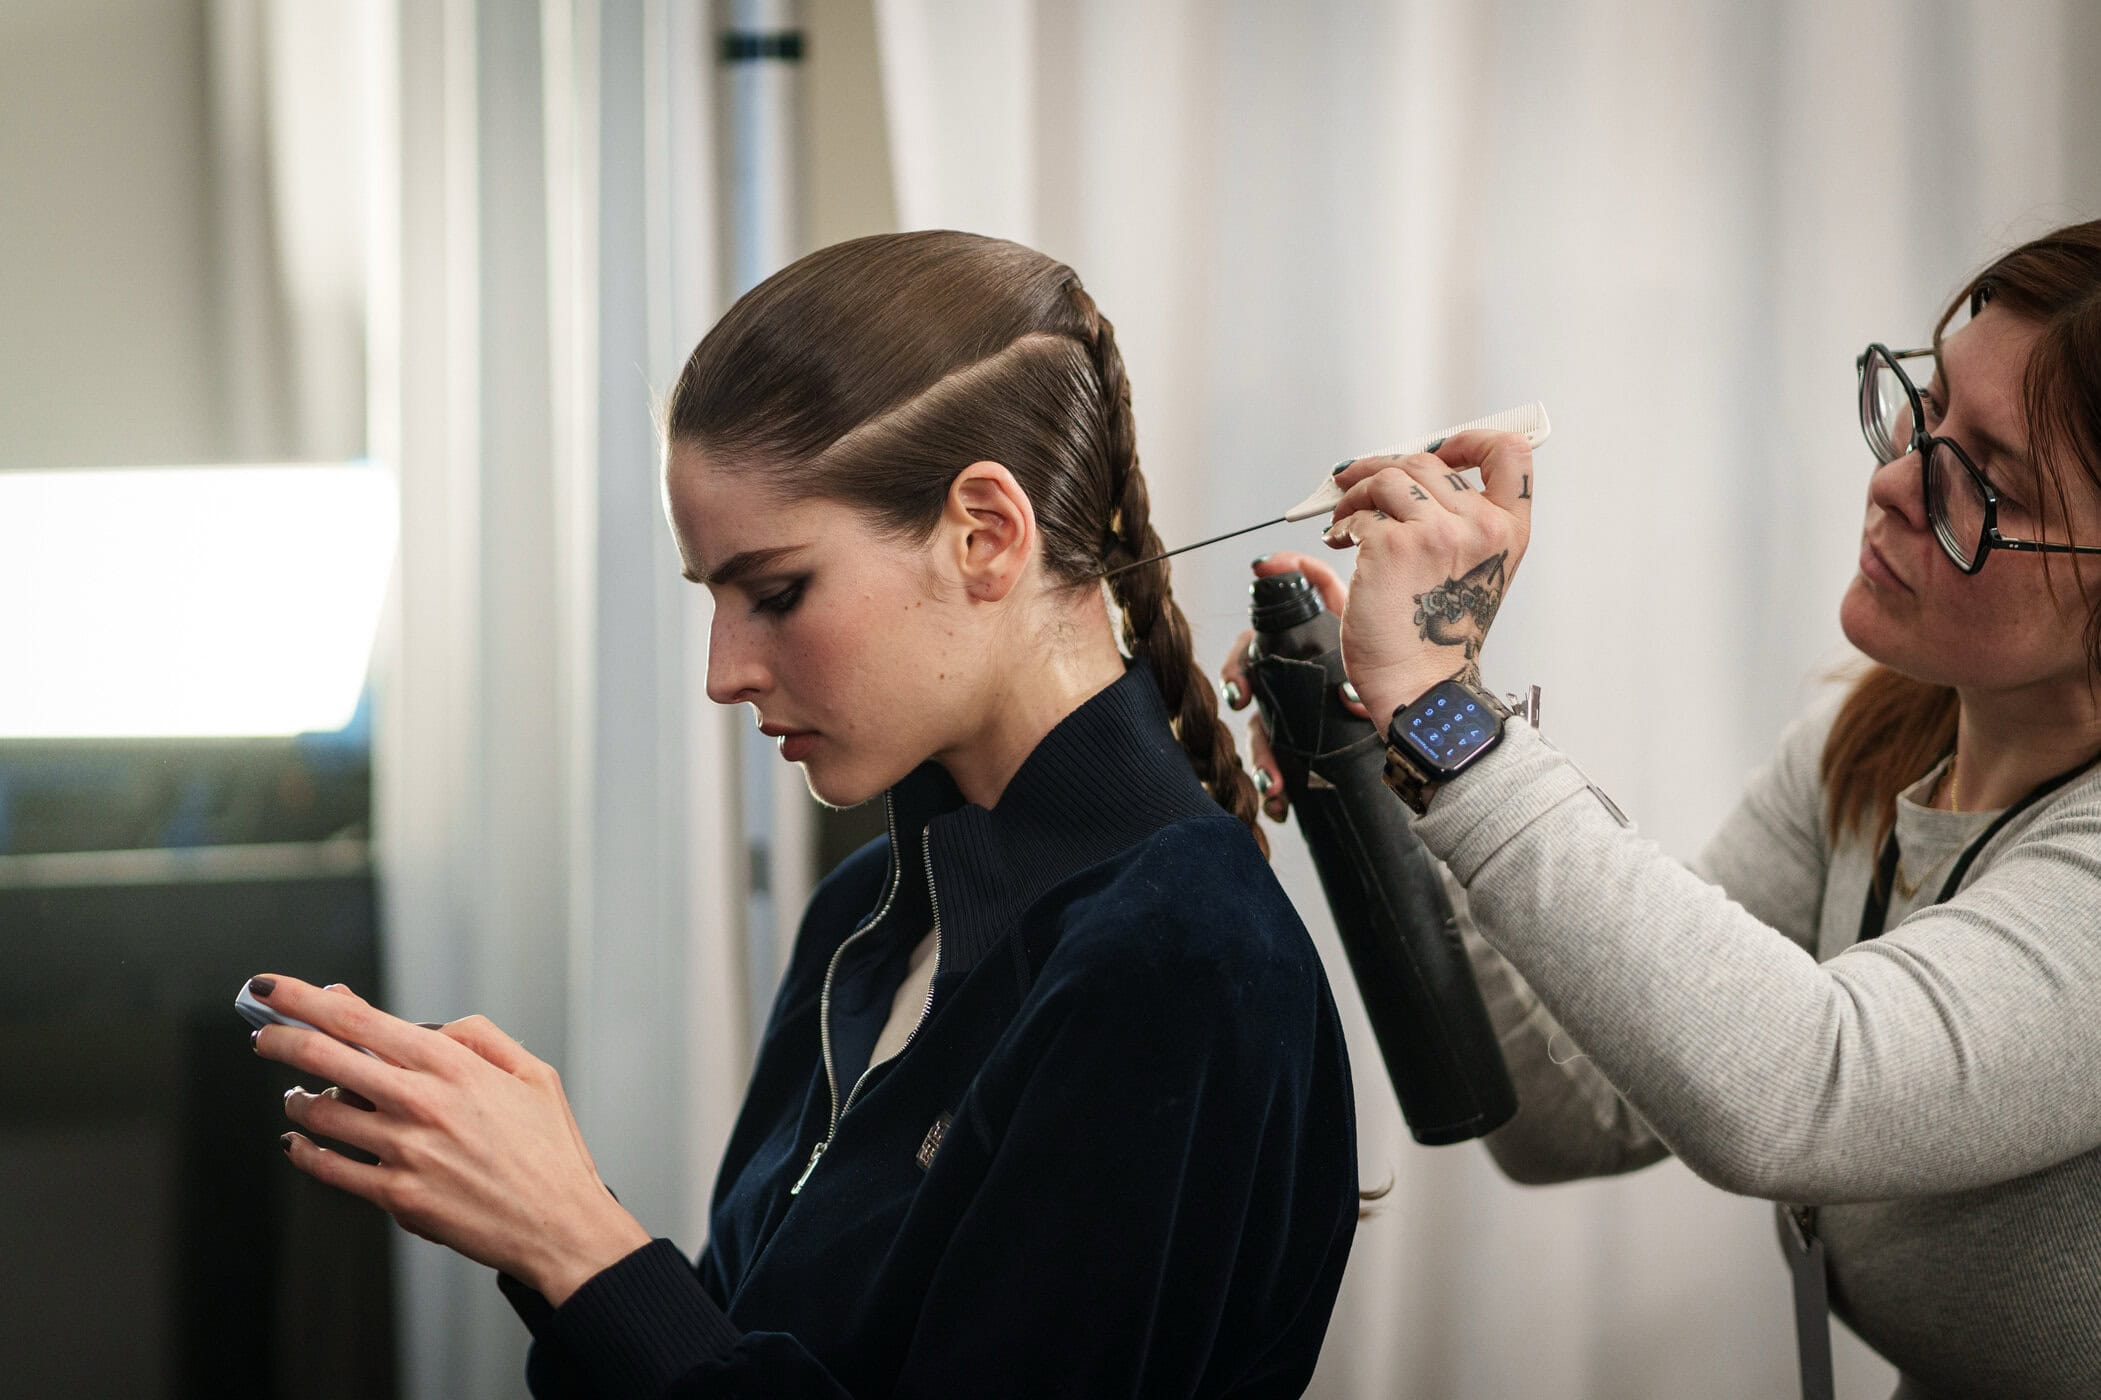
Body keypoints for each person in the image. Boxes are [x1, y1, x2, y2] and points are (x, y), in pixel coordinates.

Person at [249, 230, 1360, 1398]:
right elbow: (753, 1346)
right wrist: (541, 1220)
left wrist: (579, 1244)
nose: (725, 671)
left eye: (776, 593)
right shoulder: (863, 923)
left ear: (985, 533)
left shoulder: (1179, 964)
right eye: (715, 597)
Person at [1221, 219, 2101, 1399]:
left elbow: (1798, 1089)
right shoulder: (1869, 750)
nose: (1893, 482)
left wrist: (1441, 711)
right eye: (1923, 412)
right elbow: (1570, 1112)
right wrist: (1389, 740)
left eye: (1983, 479)